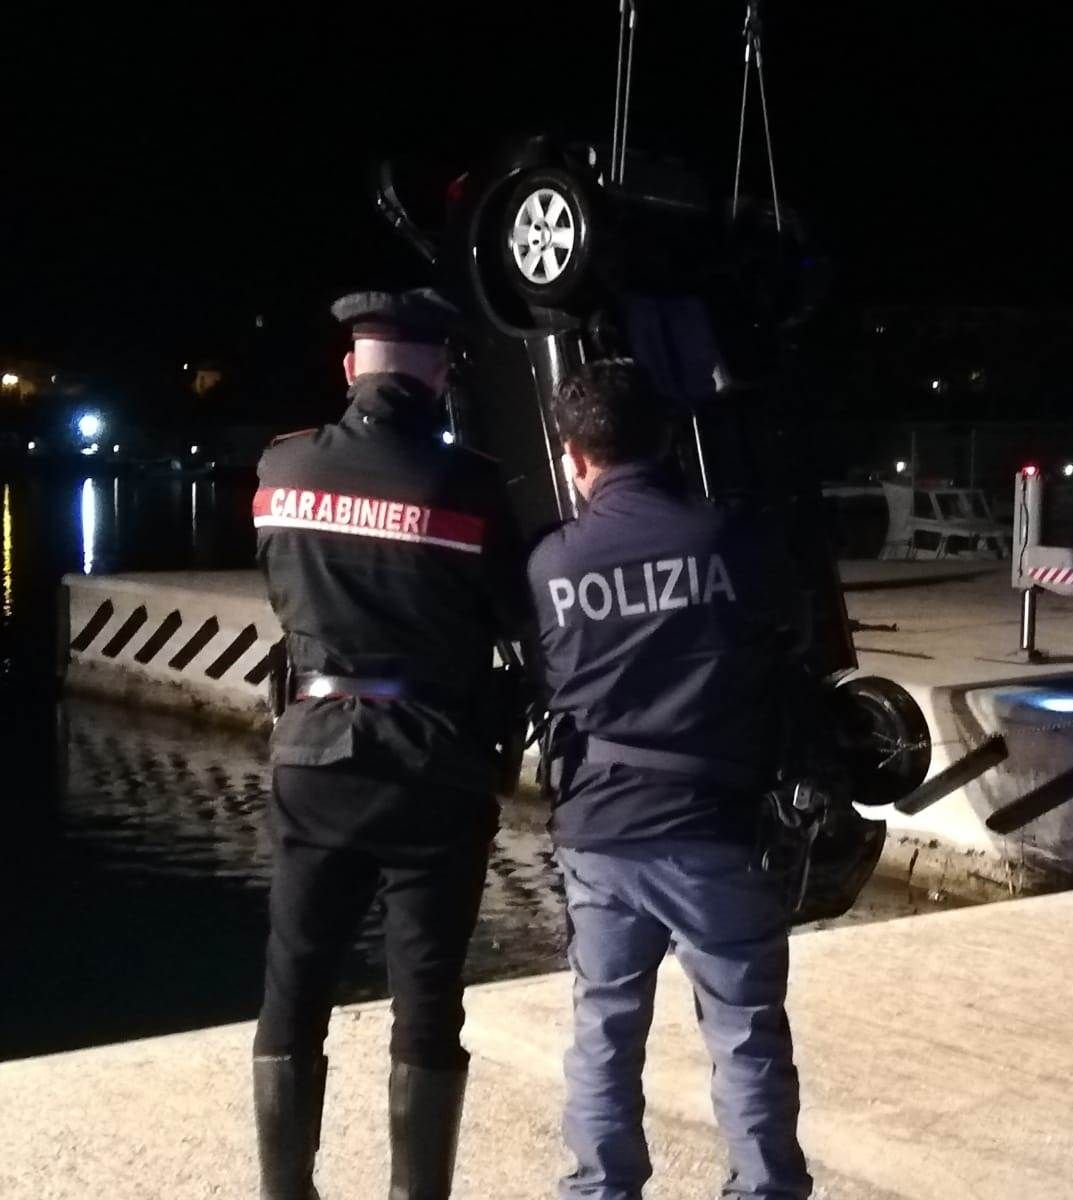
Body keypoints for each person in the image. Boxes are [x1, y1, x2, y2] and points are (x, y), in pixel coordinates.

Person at [251, 289, 527, 1200]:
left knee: (294, 984)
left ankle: (285, 1191)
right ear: (441, 375)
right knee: (427, 999)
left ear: (349, 371)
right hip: (432, 766)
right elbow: (517, 621)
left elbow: (285, 594)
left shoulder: (281, 468)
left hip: (312, 753)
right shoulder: (472, 488)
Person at [526, 359, 813, 1200]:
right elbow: (784, 654)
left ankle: (598, 1191)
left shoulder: (550, 565)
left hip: (601, 832)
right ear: (664, 439)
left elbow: (552, 684)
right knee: (745, 1033)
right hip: (717, 829)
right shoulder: (731, 539)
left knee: (604, 1032)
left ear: (574, 457)